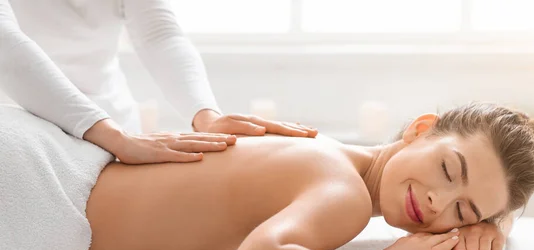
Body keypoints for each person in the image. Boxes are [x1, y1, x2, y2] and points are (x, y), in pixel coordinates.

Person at [82, 102, 534, 250]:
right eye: (447, 170)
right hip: (49, 191)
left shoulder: (321, 145)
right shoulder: (345, 197)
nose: (436, 202)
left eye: (462, 212)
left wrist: (492, 227)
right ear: (421, 129)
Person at [0, 0, 317, 165]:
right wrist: (114, 137)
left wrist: (205, 115)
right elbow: (7, 46)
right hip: (22, 127)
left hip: (114, 122)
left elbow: (159, 34)